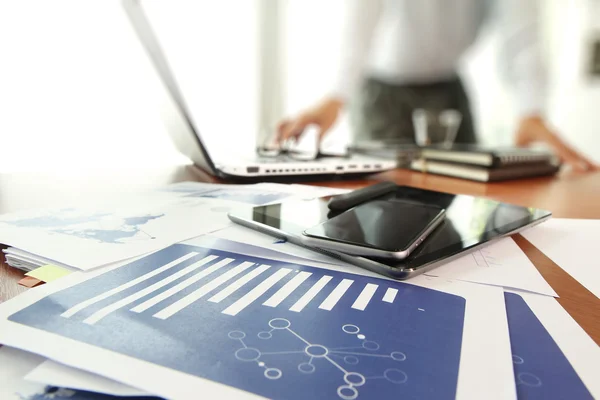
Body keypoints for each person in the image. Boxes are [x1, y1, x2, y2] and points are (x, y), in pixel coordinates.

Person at [277, 0, 597, 172]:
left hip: (449, 91)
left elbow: (522, 32)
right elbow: (360, 22)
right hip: (383, 95)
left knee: (463, 200)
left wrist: (531, 110)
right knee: (385, 208)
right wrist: (336, 96)